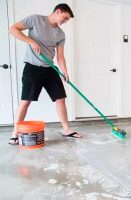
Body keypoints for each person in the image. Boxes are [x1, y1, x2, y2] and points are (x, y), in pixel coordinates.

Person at [8, 3, 82, 145]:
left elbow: (60, 55)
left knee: (60, 98)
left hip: (50, 68)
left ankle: (66, 129)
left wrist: (64, 71)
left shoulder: (60, 34)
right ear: (58, 11)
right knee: (26, 102)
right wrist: (30, 41)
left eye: (67, 20)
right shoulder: (35, 19)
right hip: (32, 68)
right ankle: (15, 133)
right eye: (65, 18)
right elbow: (13, 29)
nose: (65, 22)